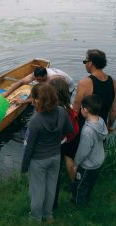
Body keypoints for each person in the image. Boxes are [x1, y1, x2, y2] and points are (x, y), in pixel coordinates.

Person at [21, 83, 73, 223]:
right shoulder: (62, 112)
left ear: (39, 100)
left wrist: (24, 166)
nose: (32, 101)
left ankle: (35, 218)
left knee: (38, 190)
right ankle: (48, 215)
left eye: (34, 98)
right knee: (51, 187)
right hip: (55, 156)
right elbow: (70, 130)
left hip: (38, 160)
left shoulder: (35, 121)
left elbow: (29, 147)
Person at [71, 95, 108, 205]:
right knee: (90, 183)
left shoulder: (87, 131)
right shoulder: (101, 120)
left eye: (81, 108)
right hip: (98, 161)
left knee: (80, 186)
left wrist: (75, 164)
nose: (80, 110)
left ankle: (78, 204)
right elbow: (104, 137)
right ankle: (87, 198)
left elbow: (83, 151)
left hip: (88, 165)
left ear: (85, 110)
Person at [50, 77, 80, 209]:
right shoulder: (70, 109)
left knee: (52, 176)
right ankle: (76, 190)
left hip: (52, 148)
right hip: (66, 143)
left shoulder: (49, 112)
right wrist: (68, 139)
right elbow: (75, 130)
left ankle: (51, 204)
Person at [73, 49, 116, 133]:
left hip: (84, 129)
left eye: (85, 61)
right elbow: (113, 110)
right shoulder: (113, 82)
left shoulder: (84, 83)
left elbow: (76, 110)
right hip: (102, 128)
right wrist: (109, 126)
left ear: (90, 63)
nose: (85, 64)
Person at [3, 66, 74, 104]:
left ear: (45, 75)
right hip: (52, 82)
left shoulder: (52, 78)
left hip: (68, 87)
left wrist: (23, 101)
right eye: (37, 80)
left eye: (41, 80)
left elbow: (42, 96)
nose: (39, 81)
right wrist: (7, 93)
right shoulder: (36, 74)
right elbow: (21, 82)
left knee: (57, 101)